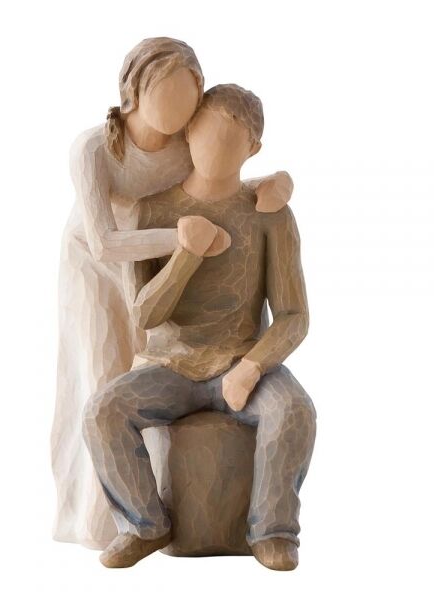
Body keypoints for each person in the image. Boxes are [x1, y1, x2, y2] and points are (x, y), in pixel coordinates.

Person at [52, 37, 294, 547]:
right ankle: (101, 519)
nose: (178, 107)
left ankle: (168, 507)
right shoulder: (94, 148)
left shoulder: (187, 140)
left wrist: (275, 184)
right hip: (97, 264)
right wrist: (184, 240)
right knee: (100, 372)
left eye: (187, 94)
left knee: (146, 372)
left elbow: (224, 168)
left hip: (166, 266)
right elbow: (106, 242)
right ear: (133, 89)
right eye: (162, 90)